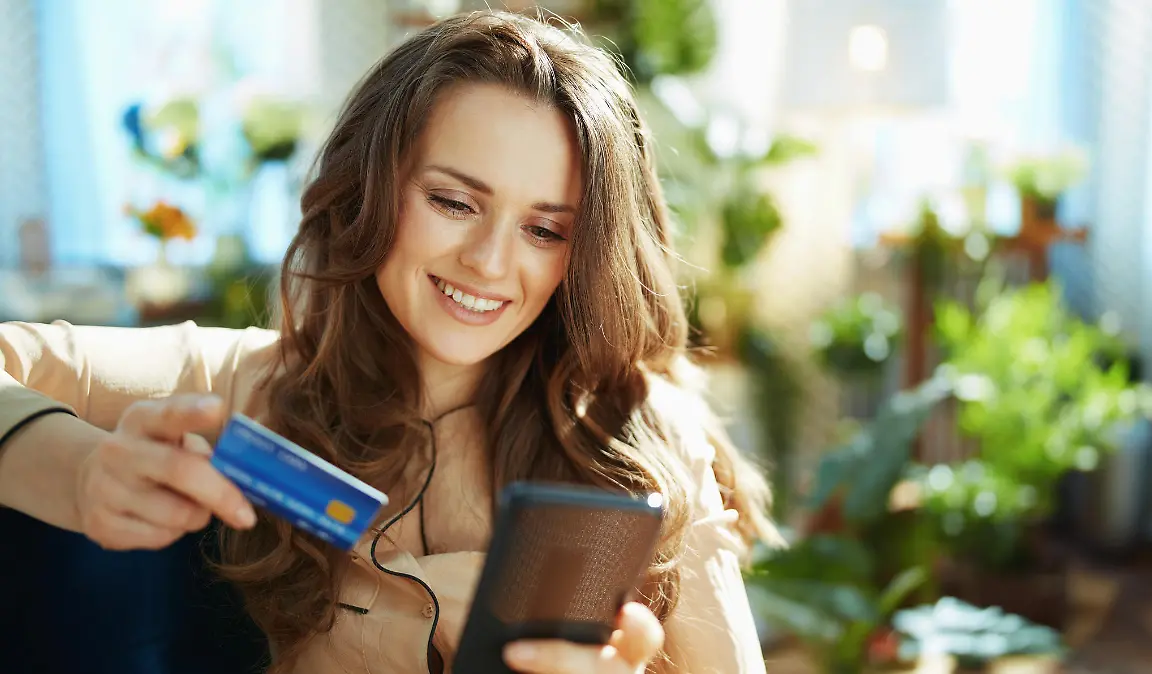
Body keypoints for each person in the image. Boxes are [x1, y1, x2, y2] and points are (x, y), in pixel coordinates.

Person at [0, 10, 781, 674]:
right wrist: (80, 476)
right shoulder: (242, 386)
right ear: (373, 185)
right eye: (453, 201)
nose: (489, 263)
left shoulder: (643, 441)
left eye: (545, 229)